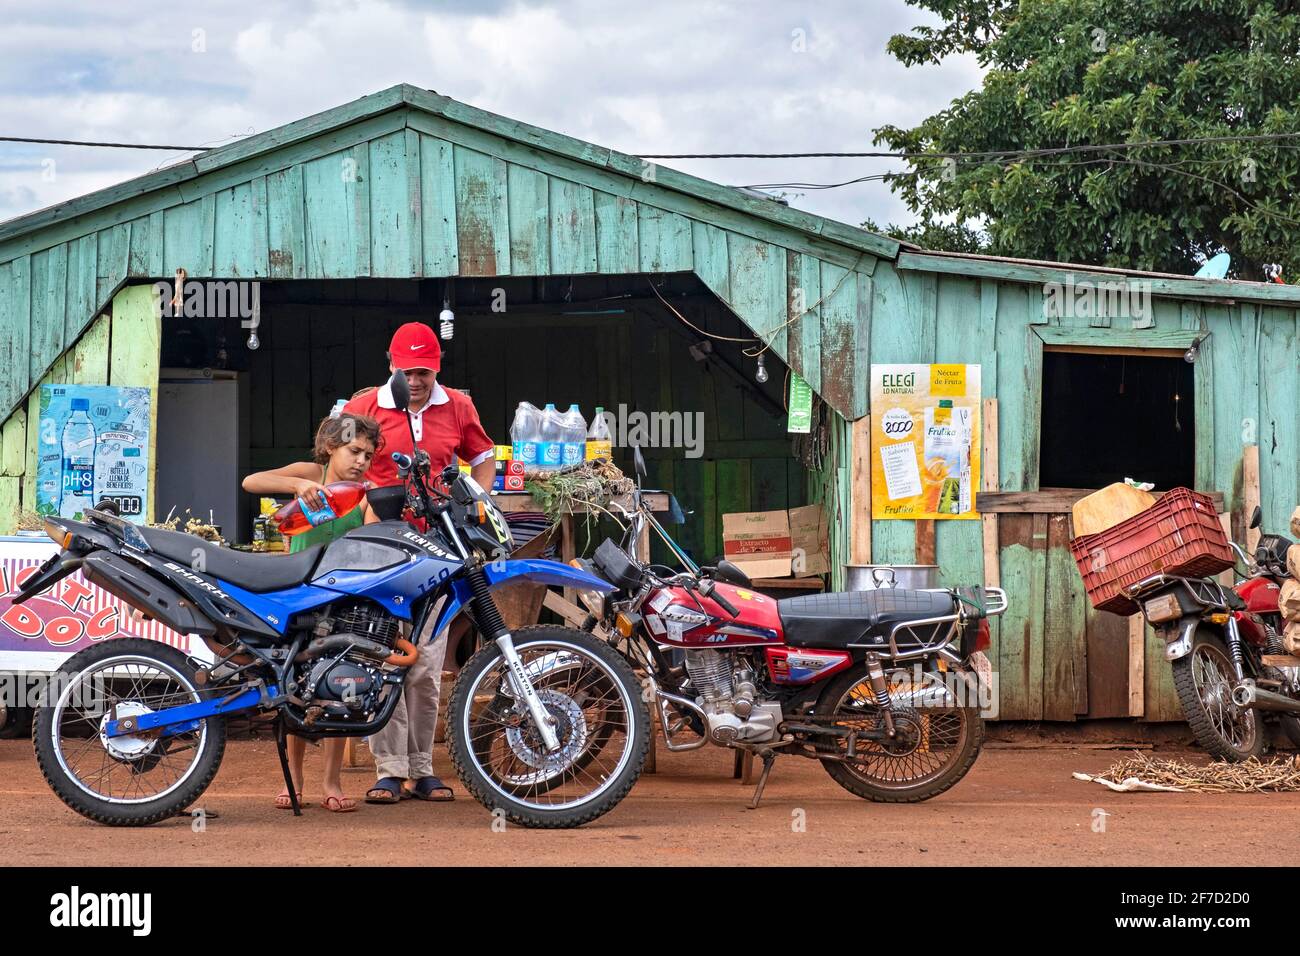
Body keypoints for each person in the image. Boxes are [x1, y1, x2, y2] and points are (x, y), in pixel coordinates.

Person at [344, 321, 495, 804]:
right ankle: (389, 770)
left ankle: (423, 769)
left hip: (438, 548)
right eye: (407, 371)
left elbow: (484, 455)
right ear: (390, 365)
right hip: (380, 547)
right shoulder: (364, 406)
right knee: (386, 654)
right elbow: (335, 458)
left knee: (427, 663)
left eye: (424, 372)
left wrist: (474, 502)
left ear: (438, 369)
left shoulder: (458, 406)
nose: (415, 380)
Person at [241, 412, 384, 813]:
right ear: (331, 448)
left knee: (340, 689)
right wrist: (298, 484)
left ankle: (332, 781)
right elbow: (251, 482)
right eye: (354, 450)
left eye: (368, 456)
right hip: (297, 596)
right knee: (296, 689)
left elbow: (374, 540)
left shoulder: (365, 495)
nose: (361, 461)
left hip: (342, 600)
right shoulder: (311, 474)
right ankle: (296, 780)